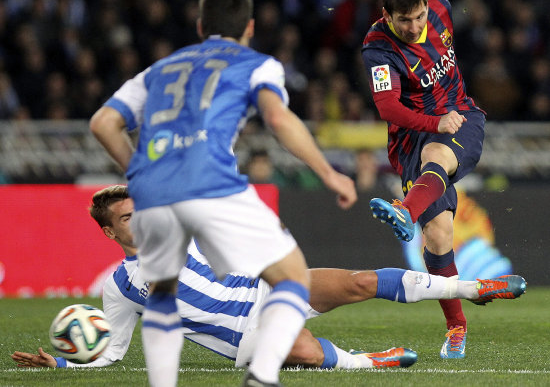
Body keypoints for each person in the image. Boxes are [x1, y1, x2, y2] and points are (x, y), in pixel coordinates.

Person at [89, 0, 357, 387]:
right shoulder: (257, 64)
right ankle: (262, 376)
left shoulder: (159, 69)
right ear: (249, 27)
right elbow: (280, 120)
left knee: (161, 291)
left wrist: (138, 172)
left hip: (158, 192)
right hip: (214, 184)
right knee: (291, 278)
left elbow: (103, 123)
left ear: (200, 26)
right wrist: (328, 172)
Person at [11, 185, 526, 370]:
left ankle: (473, 288)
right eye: (126, 219)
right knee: (297, 348)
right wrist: (62, 360)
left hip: (267, 292)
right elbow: (114, 352)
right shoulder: (120, 287)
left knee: (358, 281)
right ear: (110, 233)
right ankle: (368, 363)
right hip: (243, 338)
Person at [361, 0, 487, 359]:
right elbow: (387, 107)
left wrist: (443, 121)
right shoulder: (377, 49)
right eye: (404, 20)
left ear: (427, 5)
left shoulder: (442, 9)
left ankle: (405, 211)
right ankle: (456, 328)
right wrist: (433, 123)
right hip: (413, 138)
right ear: (387, 16)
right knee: (437, 235)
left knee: (438, 157)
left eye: (418, 17)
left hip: (461, 117)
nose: (414, 27)